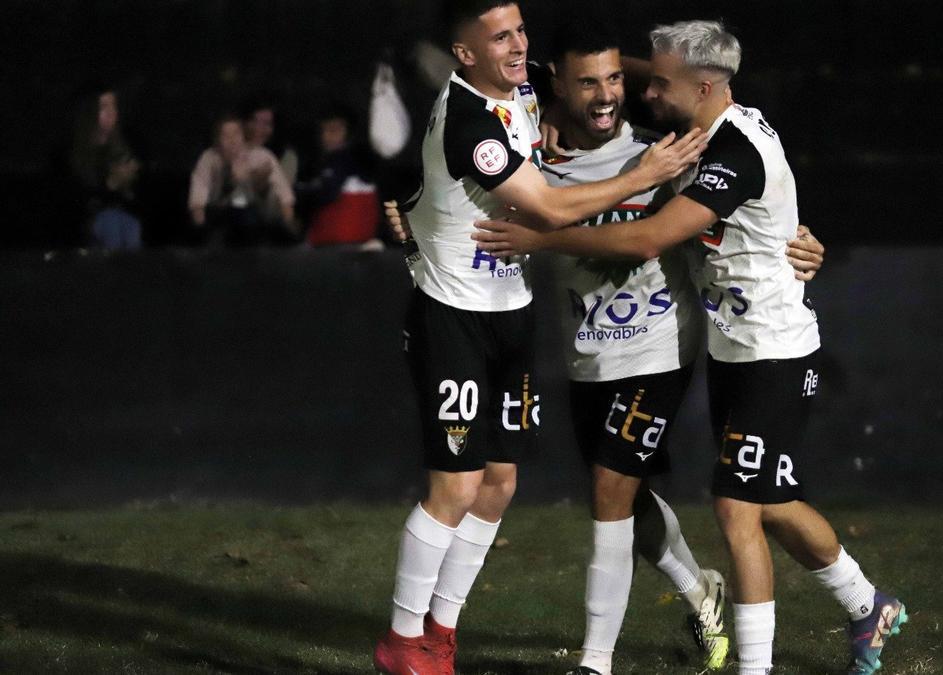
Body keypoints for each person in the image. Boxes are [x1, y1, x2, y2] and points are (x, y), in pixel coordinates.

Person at [474, 20, 907, 675]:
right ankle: (865, 601)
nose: (643, 93)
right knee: (771, 501)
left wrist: (542, 239)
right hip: (730, 349)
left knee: (733, 506)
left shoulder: (726, 152)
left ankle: (730, 665)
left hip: (772, 349)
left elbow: (649, 238)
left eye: (655, 82)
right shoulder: (710, 124)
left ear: (701, 86)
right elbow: (653, 85)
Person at [371, 2, 706, 674]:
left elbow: (568, 87)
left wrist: (636, 82)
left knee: (498, 482)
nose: (518, 45)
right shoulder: (470, 121)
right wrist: (640, 175)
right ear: (464, 54)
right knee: (456, 487)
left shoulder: (521, 94)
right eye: (499, 37)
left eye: (520, 31)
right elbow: (547, 208)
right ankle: (403, 643)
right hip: (455, 317)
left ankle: (442, 630)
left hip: (510, 315)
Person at [188, 114, 298, 247]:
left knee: (244, 212)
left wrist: (288, 214)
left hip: (245, 210)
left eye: (236, 134)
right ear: (217, 141)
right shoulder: (209, 158)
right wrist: (199, 218)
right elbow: (200, 184)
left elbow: (280, 183)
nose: (232, 140)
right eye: (226, 136)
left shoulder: (257, 155)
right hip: (215, 210)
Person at [67, 87, 142, 250]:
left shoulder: (119, 146)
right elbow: (79, 198)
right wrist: (110, 184)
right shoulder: (78, 149)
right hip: (87, 220)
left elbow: (129, 198)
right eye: (103, 107)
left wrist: (128, 182)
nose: (111, 112)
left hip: (116, 214)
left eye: (113, 106)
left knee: (131, 225)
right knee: (111, 222)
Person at [295, 106, 381, 247]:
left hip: (340, 244)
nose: (326, 136)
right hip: (356, 241)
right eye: (323, 130)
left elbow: (327, 193)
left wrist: (298, 192)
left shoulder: (343, 159)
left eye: (334, 130)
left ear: (348, 133)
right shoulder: (329, 160)